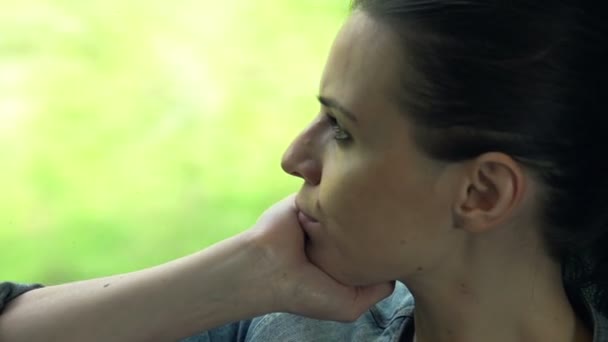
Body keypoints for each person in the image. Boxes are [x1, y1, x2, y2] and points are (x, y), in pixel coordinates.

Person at [1, 0, 607, 341]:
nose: (295, 158)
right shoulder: (284, 326)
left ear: (481, 192)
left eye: (342, 131)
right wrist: (248, 269)